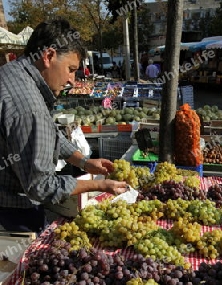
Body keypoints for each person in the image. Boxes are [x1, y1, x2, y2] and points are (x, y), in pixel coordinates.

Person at [0, 19, 127, 233]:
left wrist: (84, 162)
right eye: (71, 69)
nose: (72, 81)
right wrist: (98, 185)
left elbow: (48, 133)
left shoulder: (12, 73)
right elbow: (41, 186)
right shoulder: (30, 107)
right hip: (13, 210)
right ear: (49, 56)